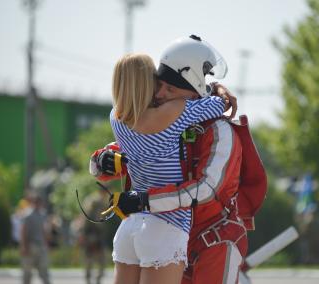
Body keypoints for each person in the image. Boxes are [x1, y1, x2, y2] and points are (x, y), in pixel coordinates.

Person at [90, 35, 267, 284]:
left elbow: (205, 190)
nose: (160, 94)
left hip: (212, 242)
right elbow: (110, 161)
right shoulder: (164, 119)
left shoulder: (220, 131)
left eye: (170, 89)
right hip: (168, 236)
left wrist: (144, 201)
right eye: (159, 85)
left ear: (193, 91)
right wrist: (100, 162)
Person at [108, 49, 232, 284]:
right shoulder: (177, 112)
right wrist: (217, 86)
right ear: (148, 82)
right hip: (166, 225)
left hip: (129, 226)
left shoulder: (115, 117)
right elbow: (220, 104)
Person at [20, 194, 51, 284]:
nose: (38, 204)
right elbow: (23, 232)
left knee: (44, 272)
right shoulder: (27, 215)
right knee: (27, 273)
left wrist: (46, 244)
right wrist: (24, 246)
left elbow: (44, 231)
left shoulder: (43, 215)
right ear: (33, 203)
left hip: (41, 246)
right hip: (30, 246)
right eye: (36, 202)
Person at [79, 191, 108, 284]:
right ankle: (89, 281)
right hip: (90, 238)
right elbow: (86, 227)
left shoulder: (100, 211)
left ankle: (95, 281)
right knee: (89, 262)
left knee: (101, 263)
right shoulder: (91, 211)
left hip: (97, 239)